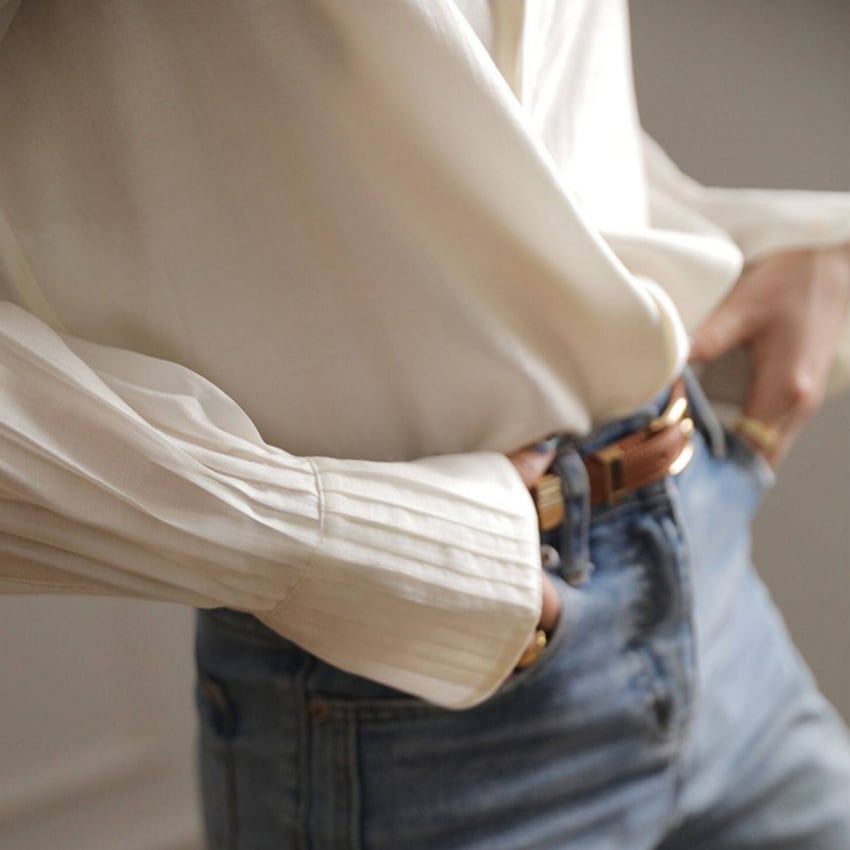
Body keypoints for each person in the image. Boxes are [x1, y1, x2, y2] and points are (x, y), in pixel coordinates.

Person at [1, 1, 849, 847]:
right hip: (411, 695)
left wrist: (771, 241)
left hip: (711, 581)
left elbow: (486, 114)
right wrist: (330, 541)